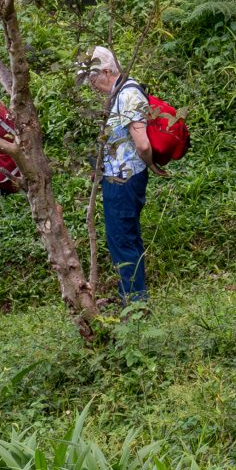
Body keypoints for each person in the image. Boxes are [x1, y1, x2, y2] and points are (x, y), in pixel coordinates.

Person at [81, 46, 155, 311]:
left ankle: (135, 303)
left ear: (107, 71)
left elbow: (143, 144)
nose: (90, 84)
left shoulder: (129, 94)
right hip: (118, 177)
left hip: (125, 178)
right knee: (124, 238)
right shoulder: (118, 95)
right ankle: (134, 298)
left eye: (92, 77)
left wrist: (151, 165)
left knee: (122, 239)